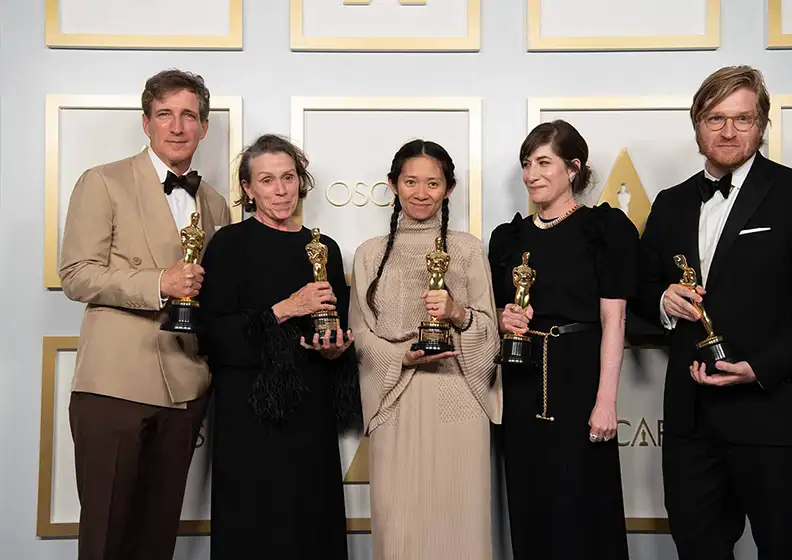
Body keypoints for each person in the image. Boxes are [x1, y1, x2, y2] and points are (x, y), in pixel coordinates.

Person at [633, 66, 792, 559]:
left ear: (763, 124)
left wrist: (760, 368)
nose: (728, 131)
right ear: (697, 125)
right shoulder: (670, 203)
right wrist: (662, 301)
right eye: (715, 118)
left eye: (742, 119)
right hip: (692, 422)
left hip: (778, 414)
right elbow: (639, 290)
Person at [59, 69, 230, 560]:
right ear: (146, 123)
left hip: (184, 388)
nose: (177, 127)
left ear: (202, 127)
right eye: (165, 115)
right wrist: (158, 282)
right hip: (113, 385)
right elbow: (76, 274)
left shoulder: (214, 203)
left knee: (156, 541)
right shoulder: (103, 181)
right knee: (106, 540)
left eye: (188, 116)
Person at [198, 134, 360, 559]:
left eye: (289, 177)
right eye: (268, 180)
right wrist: (287, 307)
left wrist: (335, 348)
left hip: (311, 408)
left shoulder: (324, 248)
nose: (282, 189)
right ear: (248, 189)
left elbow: (334, 326)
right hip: (248, 413)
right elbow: (214, 335)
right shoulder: (228, 245)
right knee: (253, 524)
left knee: (312, 518)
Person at [488, 120, 636, 559]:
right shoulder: (508, 238)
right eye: (526, 163)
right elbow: (490, 313)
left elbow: (616, 319)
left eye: (543, 162)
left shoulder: (604, 229)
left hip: (578, 380)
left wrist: (606, 400)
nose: (531, 173)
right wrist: (503, 316)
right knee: (529, 503)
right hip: (520, 382)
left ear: (573, 168)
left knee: (583, 505)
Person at [349, 139, 501, 560]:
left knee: (462, 528)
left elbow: (489, 333)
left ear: (449, 189)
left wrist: (458, 313)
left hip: (460, 400)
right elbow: (359, 336)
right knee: (399, 529)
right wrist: (401, 356)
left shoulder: (468, 248)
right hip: (394, 401)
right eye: (410, 181)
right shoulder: (368, 254)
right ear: (393, 185)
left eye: (432, 183)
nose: (420, 193)